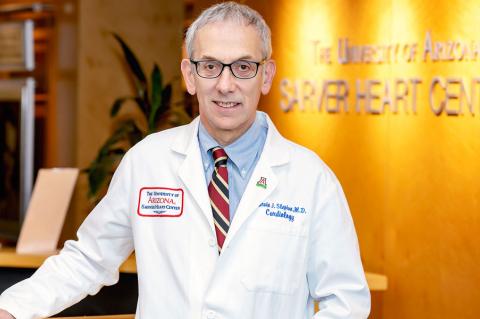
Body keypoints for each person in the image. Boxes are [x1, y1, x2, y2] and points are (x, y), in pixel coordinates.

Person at [0, 2, 370, 318]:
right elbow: (89, 259)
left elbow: (346, 302)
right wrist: (13, 307)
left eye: (243, 67)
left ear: (267, 75)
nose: (225, 85)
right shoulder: (147, 161)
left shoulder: (311, 179)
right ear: (188, 76)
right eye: (209, 66)